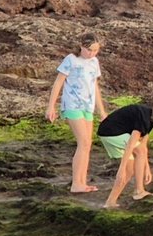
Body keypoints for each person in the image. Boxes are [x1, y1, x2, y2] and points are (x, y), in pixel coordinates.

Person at [96, 100, 153, 208]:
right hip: (110, 132)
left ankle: (110, 202)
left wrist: (147, 168)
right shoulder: (144, 118)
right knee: (134, 157)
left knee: (130, 170)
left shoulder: (151, 118)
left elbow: (144, 146)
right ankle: (139, 191)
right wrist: (121, 169)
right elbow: (131, 144)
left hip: (114, 134)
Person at [45, 35, 108, 194]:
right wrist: (51, 107)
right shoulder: (71, 59)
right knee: (83, 142)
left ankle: (82, 181)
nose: (92, 53)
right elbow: (58, 82)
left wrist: (102, 111)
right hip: (73, 105)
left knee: (88, 144)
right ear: (81, 46)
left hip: (88, 107)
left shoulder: (94, 62)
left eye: (95, 50)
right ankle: (76, 184)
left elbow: (95, 86)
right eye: (89, 50)